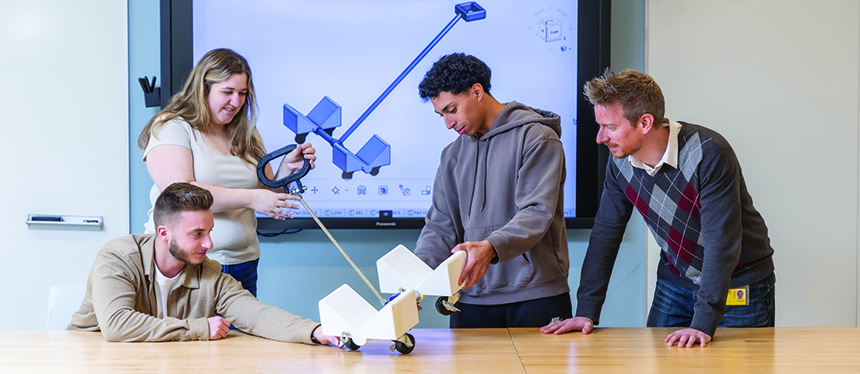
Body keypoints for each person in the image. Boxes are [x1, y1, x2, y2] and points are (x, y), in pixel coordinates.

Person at [540, 69, 776, 347]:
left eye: (611, 127)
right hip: (675, 282)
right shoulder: (619, 163)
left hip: (739, 281)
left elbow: (721, 244)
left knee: (734, 366)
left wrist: (702, 323)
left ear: (645, 122)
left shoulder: (708, 153)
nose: (600, 138)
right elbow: (605, 235)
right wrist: (586, 312)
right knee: (663, 363)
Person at [138, 48, 316, 297]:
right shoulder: (171, 127)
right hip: (186, 263)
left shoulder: (246, 131)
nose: (236, 102)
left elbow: (267, 191)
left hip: (243, 263)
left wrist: (287, 168)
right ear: (203, 89)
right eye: (227, 92)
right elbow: (180, 195)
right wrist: (252, 198)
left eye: (243, 93)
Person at [68, 182, 338, 345]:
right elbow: (117, 325)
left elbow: (258, 315)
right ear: (163, 232)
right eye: (197, 234)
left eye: (209, 231)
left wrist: (314, 331)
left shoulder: (208, 272)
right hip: (91, 357)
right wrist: (199, 328)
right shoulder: (118, 257)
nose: (209, 243)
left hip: (159, 359)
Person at [414, 53, 571, 328]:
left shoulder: (537, 137)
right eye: (441, 115)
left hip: (536, 295)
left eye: (452, 110)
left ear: (477, 92)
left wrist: (490, 247)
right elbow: (440, 225)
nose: (448, 123)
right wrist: (414, 280)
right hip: (469, 300)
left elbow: (536, 212)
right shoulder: (451, 156)